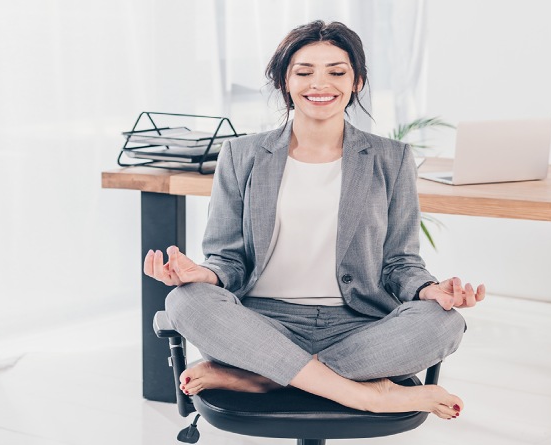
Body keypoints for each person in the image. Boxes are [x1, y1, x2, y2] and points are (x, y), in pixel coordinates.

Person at [143, 20, 485, 420]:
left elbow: (399, 262)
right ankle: (368, 394)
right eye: (304, 72)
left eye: (337, 72)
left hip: (358, 326)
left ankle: (263, 376)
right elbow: (227, 259)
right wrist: (203, 276)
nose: (319, 84)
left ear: (357, 81)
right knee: (185, 300)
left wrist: (429, 291)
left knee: (442, 323)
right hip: (263, 322)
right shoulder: (241, 155)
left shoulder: (391, 158)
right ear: (284, 82)